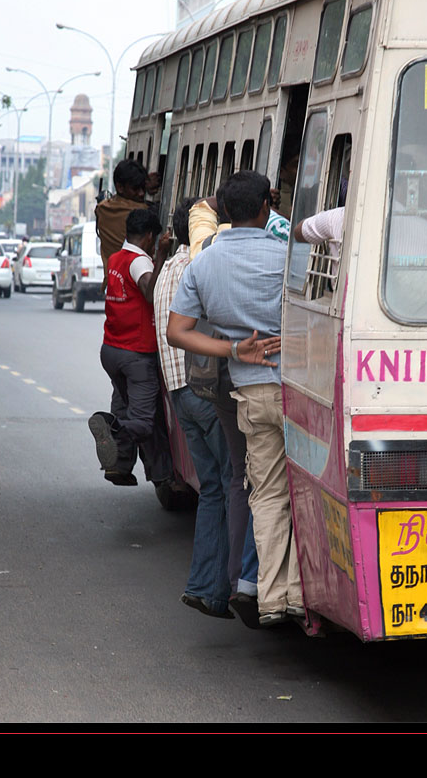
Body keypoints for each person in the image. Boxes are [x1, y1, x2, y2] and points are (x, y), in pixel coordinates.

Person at [167, 170, 302, 627]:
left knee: (264, 494)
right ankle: (299, 597)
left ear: (222, 212)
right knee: (303, 493)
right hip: (301, 393)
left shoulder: (201, 264)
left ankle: (269, 598)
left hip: (250, 393)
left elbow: (177, 332)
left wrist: (232, 348)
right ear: (268, 205)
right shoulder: (289, 256)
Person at [153, 198, 237, 621]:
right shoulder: (196, 267)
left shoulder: (166, 269)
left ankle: (205, 586)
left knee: (213, 491)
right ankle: (226, 586)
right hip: (202, 393)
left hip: (178, 395)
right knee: (232, 486)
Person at [88, 208, 174, 487]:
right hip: (136, 354)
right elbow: (150, 293)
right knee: (143, 421)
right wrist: (160, 256)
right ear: (150, 237)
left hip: (111, 350)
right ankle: (110, 427)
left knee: (124, 407)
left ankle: (119, 467)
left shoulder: (115, 258)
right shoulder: (139, 262)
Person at [94, 159, 151, 270]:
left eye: (143, 188)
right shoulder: (141, 212)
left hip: (111, 281)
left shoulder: (102, 209)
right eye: (135, 188)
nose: (141, 193)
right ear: (120, 187)